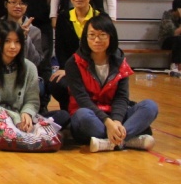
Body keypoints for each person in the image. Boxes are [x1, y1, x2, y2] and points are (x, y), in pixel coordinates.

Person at [66, 14, 158, 152]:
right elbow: (82, 100)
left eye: (102, 35)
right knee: (82, 115)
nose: (97, 40)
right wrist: (108, 122)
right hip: (91, 116)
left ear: (111, 37)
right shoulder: (74, 63)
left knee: (150, 106)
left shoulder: (120, 61)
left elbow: (121, 97)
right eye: (92, 35)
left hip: (114, 114)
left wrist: (116, 121)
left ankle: (109, 142)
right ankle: (129, 140)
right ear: (85, 38)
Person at [0, 21, 69, 149]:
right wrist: (15, 118)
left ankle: (14, 138)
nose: (12, 46)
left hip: (22, 118)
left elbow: (32, 100)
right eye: (8, 41)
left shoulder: (29, 67)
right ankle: (26, 137)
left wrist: (27, 113)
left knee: (62, 116)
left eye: (17, 42)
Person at [52, 0, 101, 113]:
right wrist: (66, 69)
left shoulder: (100, 18)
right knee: (56, 83)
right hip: (72, 69)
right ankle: (68, 114)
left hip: (95, 70)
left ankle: (96, 112)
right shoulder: (63, 18)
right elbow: (60, 49)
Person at [0, 0, 47, 94]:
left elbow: (36, 62)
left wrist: (25, 39)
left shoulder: (34, 31)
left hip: (25, 75)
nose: (18, 6)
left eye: (22, 3)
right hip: (0, 75)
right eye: (13, 2)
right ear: (6, 4)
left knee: (39, 88)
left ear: (26, 6)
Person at [158, 0, 181, 74]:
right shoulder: (167, 16)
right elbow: (175, 33)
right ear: (178, 9)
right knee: (179, 39)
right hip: (166, 41)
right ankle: (175, 65)